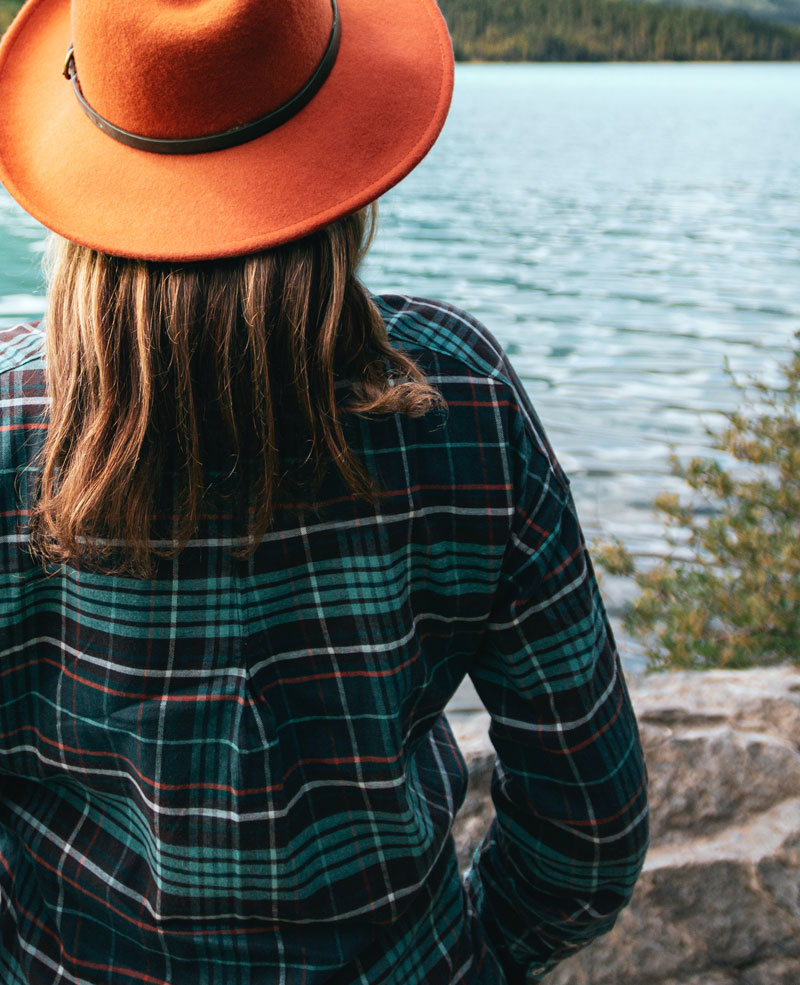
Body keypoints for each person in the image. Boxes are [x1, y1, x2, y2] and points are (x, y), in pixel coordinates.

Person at [0, 1, 649, 983]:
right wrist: (473, 954)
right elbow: (588, 833)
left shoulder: (10, 426)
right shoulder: (458, 396)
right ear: (336, 159)